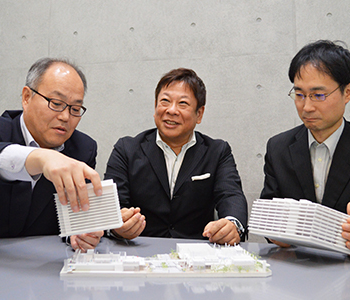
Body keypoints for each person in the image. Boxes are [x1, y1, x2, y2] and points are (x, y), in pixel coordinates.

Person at [0, 58, 104, 251]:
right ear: (27, 97)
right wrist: (39, 157)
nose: (65, 117)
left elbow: (76, 219)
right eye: (56, 103)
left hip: (39, 267)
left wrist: (82, 233)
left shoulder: (83, 149)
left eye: (75, 109)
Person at [260, 40, 350, 262]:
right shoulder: (278, 148)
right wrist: (276, 233)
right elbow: (270, 210)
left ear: (348, 92)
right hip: (295, 272)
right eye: (299, 94)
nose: (307, 107)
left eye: (318, 95)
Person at [104, 68, 248, 245]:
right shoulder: (127, 149)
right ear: (155, 106)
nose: (171, 110)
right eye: (165, 101)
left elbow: (231, 195)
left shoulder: (217, 151)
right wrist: (118, 226)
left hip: (196, 255)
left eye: (183, 104)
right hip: (138, 251)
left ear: (199, 114)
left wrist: (232, 225)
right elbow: (113, 207)